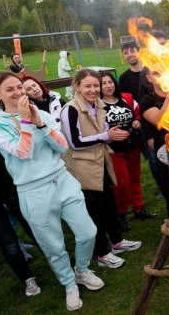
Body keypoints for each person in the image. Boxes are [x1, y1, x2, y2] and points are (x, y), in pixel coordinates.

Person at [0, 71, 103, 311]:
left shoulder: (40, 114)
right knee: (54, 246)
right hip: (33, 190)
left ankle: (81, 270)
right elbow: (23, 153)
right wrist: (27, 122)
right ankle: (69, 283)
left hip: (62, 179)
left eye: (19, 87)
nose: (18, 92)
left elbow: (62, 147)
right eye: (10, 89)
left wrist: (39, 122)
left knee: (88, 232)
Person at [61, 69, 142, 270]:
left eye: (95, 85)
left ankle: (116, 242)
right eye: (88, 86)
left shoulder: (98, 105)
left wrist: (111, 134)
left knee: (109, 204)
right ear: (77, 87)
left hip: (102, 161)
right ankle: (102, 253)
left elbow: (104, 131)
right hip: (84, 168)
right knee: (94, 211)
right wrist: (107, 136)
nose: (93, 89)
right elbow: (75, 143)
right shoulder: (70, 110)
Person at [0, 71, 40, 298]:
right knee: (6, 237)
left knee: (31, 221)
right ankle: (27, 278)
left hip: (8, 179)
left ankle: (56, 261)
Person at [99, 70, 157, 232]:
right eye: (103, 83)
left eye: (110, 82)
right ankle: (121, 214)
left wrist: (137, 121)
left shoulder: (127, 98)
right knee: (121, 183)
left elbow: (138, 114)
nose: (108, 86)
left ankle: (139, 208)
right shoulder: (96, 105)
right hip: (113, 150)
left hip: (132, 146)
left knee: (134, 179)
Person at [118, 41, 163, 198]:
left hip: (163, 117)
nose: (129, 54)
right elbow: (124, 103)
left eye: (132, 51)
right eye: (126, 52)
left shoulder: (152, 72)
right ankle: (161, 186)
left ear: (139, 52)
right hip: (142, 125)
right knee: (153, 159)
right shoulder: (124, 79)